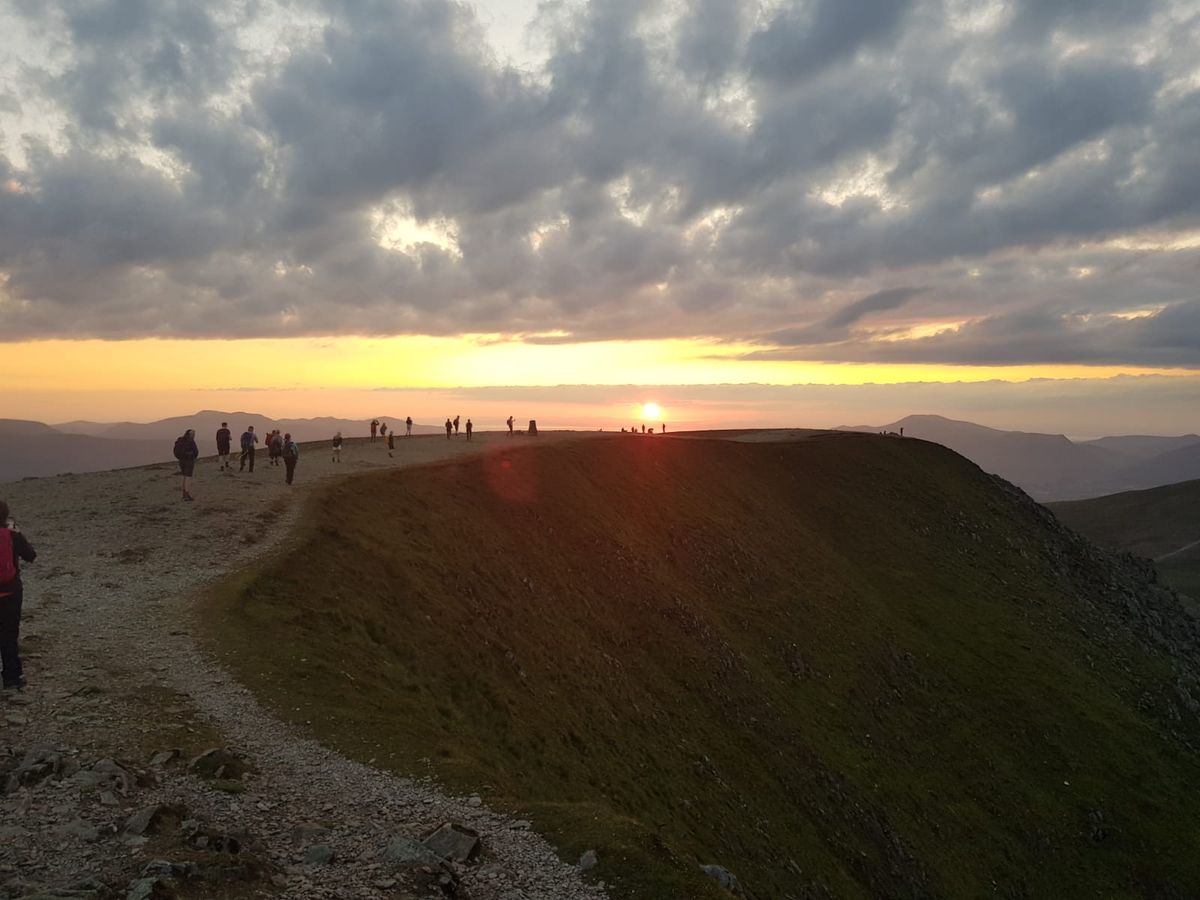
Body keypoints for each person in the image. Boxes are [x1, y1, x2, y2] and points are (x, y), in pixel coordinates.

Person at [0, 500, 37, 691]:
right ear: (5, 516)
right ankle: (11, 679)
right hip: (11, 591)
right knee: (8, 635)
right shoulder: (12, 535)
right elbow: (31, 555)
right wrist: (18, 533)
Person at [173, 429, 199, 501]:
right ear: (190, 434)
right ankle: (187, 494)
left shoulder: (180, 440)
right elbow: (196, 452)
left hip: (181, 460)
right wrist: (193, 457)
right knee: (188, 477)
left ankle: (184, 493)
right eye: (193, 434)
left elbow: (176, 451)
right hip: (189, 460)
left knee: (184, 476)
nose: (194, 435)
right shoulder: (191, 442)